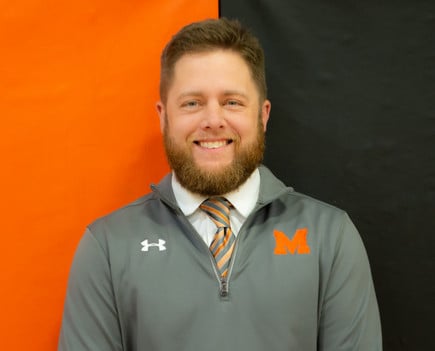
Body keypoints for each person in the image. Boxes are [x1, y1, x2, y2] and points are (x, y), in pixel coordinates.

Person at [58, 18, 382, 350]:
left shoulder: (330, 238)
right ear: (163, 116)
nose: (213, 120)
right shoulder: (108, 248)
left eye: (232, 102)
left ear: (263, 115)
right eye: (192, 103)